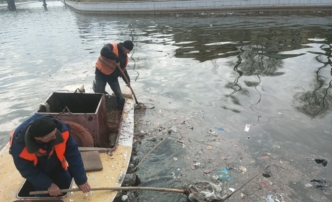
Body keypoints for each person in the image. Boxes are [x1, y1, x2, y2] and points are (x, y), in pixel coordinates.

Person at [9, 114, 91, 197]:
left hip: (57, 165)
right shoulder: (19, 149)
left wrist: (81, 180)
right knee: (44, 194)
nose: (56, 137)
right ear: (38, 138)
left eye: (55, 133)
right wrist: (48, 185)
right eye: (51, 136)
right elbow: (27, 170)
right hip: (38, 171)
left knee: (66, 182)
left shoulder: (61, 131)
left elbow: (73, 156)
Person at [93, 40, 134, 108]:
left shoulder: (125, 57)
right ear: (124, 48)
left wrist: (127, 81)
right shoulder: (112, 46)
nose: (128, 52)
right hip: (101, 74)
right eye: (128, 50)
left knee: (120, 97)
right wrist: (116, 58)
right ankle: (100, 108)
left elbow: (123, 70)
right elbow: (103, 51)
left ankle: (119, 109)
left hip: (112, 77)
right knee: (99, 93)